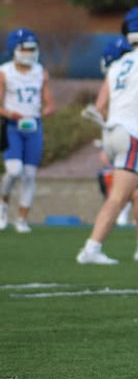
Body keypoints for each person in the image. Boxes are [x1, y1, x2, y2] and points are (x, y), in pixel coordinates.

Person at [76, 6, 138, 264]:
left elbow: (99, 106)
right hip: (133, 136)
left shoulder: (119, 63)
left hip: (113, 133)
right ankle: (92, 248)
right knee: (118, 197)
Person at [0, 28, 55, 233]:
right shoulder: (5, 72)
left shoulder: (41, 72)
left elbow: (49, 101)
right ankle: (3, 206)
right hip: (12, 126)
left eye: (32, 49)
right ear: (14, 49)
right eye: (25, 49)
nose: (29, 53)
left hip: (34, 126)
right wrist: (10, 113)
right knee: (13, 170)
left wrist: (48, 109)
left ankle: (22, 219)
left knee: (30, 174)